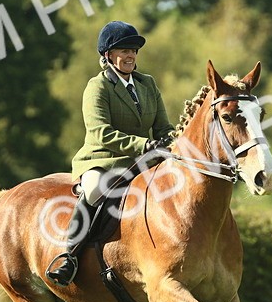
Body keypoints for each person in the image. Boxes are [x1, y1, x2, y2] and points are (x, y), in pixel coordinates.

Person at [46, 20, 175, 286]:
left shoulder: (147, 84)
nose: (130, 55)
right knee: (93, 190)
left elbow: (163, 127)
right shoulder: (98, 87)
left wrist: (174, 142)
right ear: (108, 55)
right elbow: (100, 132)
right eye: (123, 50)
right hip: (103, 159)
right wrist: (143, 145)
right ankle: (69, 256)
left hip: (144, 160)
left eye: (134, 50)